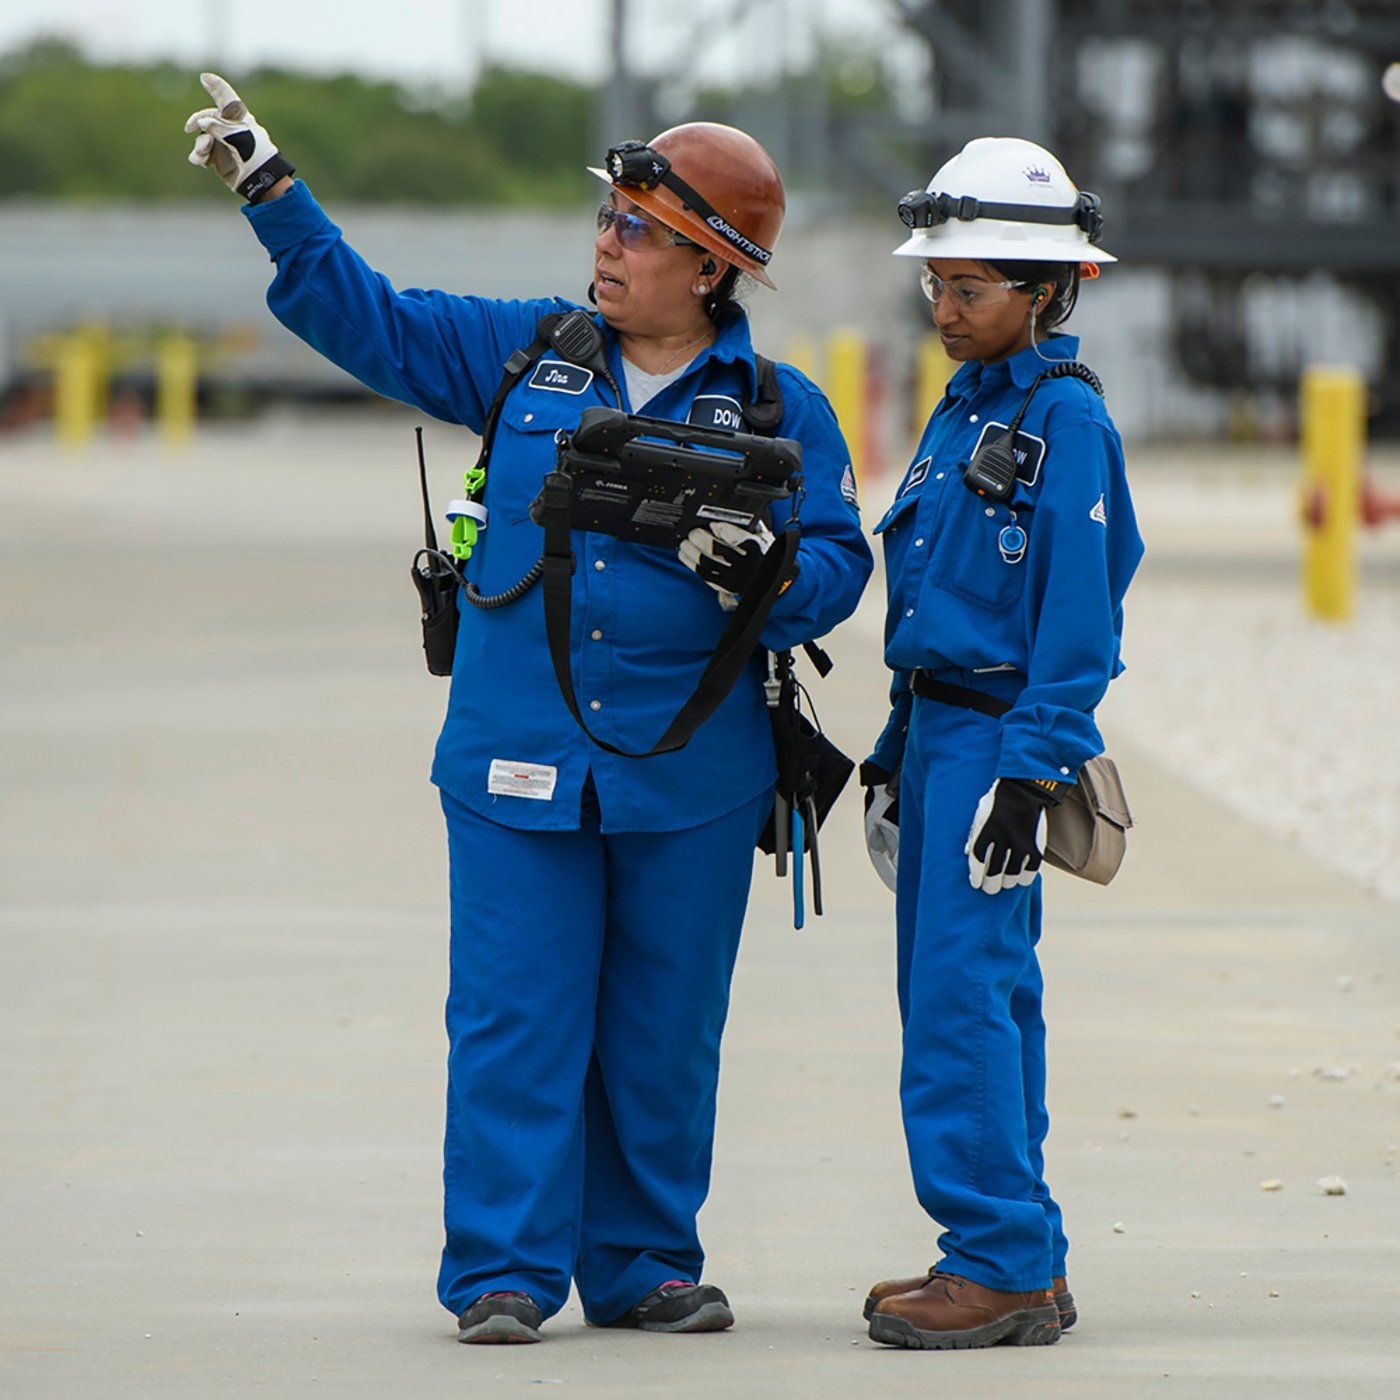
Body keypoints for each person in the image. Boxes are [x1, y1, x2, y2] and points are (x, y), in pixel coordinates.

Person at [183, 73, 871, 1345]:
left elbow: (837, 564)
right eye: (607, 218)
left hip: (693, 782)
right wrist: (271, 190)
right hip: (515, 760)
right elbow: (370, 319)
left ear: (712, 269)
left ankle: (645, 1265)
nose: (606, 244)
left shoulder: (781, 411)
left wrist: (762, 578)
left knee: (663, 1033)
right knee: (513, 1015)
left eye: (637, 230)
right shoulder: (523, 356)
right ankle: (502, 1269)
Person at [858, 137, 1143, 1351]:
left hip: (995, 748)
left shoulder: (1064, 425)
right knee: (967, 992)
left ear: (1046, 293)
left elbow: (1076, 623)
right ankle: (1016, 1245)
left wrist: (1027, 774)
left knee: (961, 1004)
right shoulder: (962, 409)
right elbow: (935, 597)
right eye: (936, 284)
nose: (943, 307)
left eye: (970, 288)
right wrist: (886, 748)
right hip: (936, 738)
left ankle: (996, 1262)